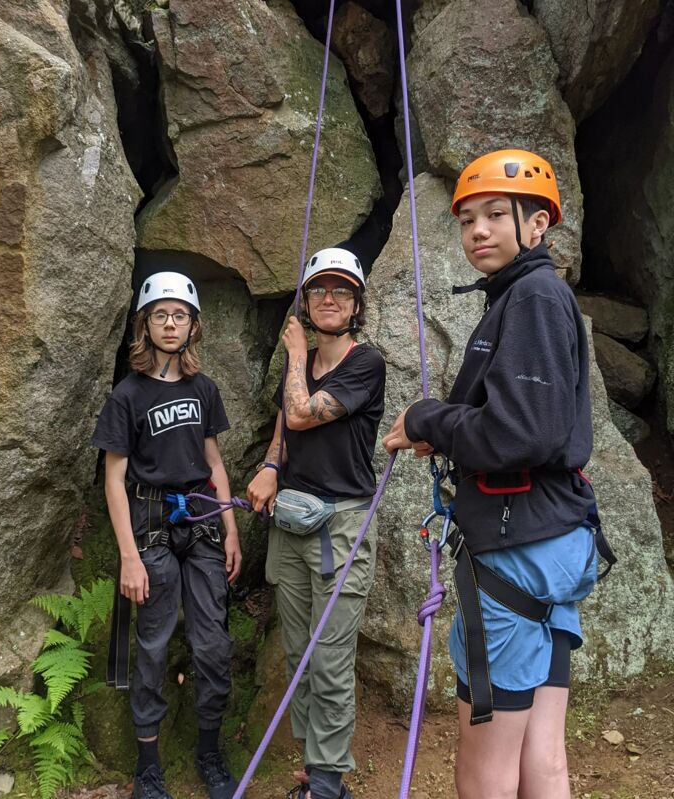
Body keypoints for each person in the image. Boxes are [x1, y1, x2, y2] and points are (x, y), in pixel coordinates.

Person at [383, 149, 608, 799]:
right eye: (467, 219)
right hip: (551, 540)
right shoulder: (526, 297)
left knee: (485, 768)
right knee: (543, 753)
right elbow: (526, 423)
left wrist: (428, 418)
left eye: (495, 215)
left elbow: (522, 431)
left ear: (537, 224)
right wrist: (446, 428)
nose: (478, 230)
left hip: (517, 553)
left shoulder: (532, 297)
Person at [91, 272, 243, 799]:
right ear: (146, 325)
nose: (171, 324)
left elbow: (214, 463)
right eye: (161, 315)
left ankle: (209, 752)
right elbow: (114, 480)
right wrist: (128, 558)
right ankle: (149, 766)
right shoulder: (127, 395)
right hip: (151, 526)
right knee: (153, 644)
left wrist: (231, 530)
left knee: (212, 642)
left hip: (201, 520)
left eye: (180, 316)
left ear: (194, 326)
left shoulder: (204, 389)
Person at [247, 248, 386, 799]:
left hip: (341, 525)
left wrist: (296, 354)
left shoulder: (365, 363)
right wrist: (270, 466)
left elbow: (303, 413)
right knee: (298, 653)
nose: (330, 298)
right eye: (319, 290)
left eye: (341, 290)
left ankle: (328, 784)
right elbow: (285, 424)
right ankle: (314, 765)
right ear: (306, 301)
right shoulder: (299, 364)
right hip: (292, 519)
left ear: (356, 305)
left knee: (329, 658)